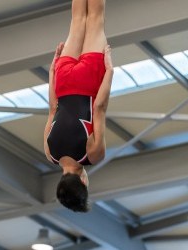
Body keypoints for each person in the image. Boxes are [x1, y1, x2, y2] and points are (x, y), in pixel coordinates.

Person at [44, 0, 113, 212]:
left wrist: (109, 72)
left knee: (95, 18)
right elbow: (53, 108)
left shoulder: (92, 155)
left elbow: (99, 108)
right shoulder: (49, 152)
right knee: (77, 19)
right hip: (63, 81)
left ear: (83, 182)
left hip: (88, 82)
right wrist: (52, 71)